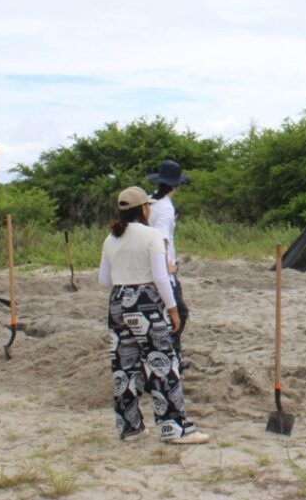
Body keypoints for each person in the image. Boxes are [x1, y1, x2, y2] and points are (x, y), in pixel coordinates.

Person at [98, 186, 208, 444]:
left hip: (117, 304)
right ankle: (174, 428)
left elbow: (104, 280)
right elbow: (160, 277)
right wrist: (172, 309)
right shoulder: (152, 236)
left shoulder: (110, 239)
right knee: (162, 363)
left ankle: (130, 427)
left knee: (125, 367)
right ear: (144, 209)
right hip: (146, 304)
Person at [147, 160, 190, 371]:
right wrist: (167, 267)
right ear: (176, 185)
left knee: (161, 315)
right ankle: (171, 359)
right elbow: (162, 238)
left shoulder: (149, 201)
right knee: (178, 314)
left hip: (147, 265)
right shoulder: (165, 208)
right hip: (163, 268)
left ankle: (175, 358)